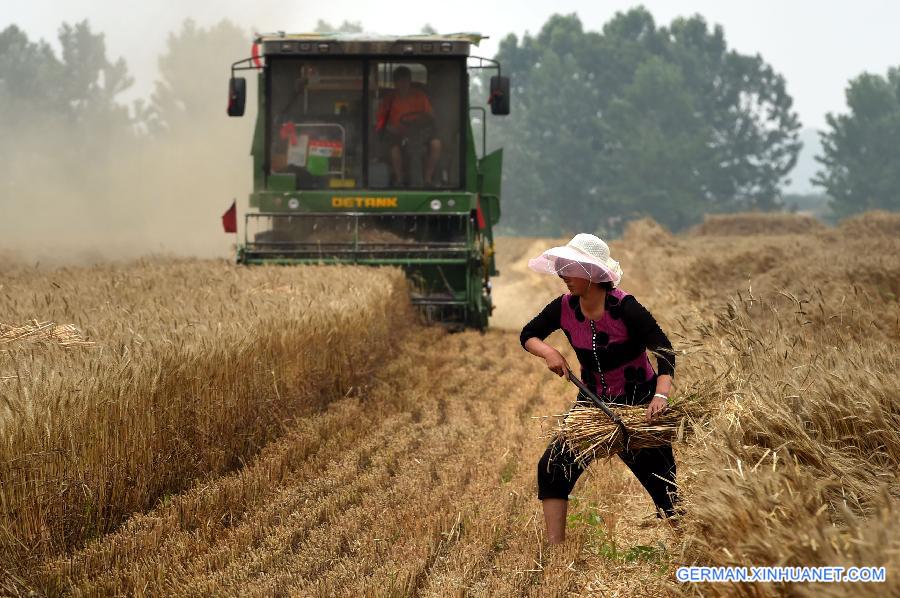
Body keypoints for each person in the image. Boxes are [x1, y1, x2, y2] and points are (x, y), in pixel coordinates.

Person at [520, 233, 680, 545]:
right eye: (562, 267)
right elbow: (529, 334)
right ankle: (555, 549)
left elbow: (665, 353)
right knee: (553, 467)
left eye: (571, 268)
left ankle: (689, 548)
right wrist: (550, 353)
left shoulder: (626, 308)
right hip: (592, 405)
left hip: (638, 405)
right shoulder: (564, 307)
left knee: (663, 484)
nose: (563, 275)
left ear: (593, 273)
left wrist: (660, 396)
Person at [375, 66, 442, 186]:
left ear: (409, 81)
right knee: (394, 150)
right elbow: (380, 122)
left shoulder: (420, 96)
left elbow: (431, 116)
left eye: (405, 80)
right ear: (395, 83)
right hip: (398, 134)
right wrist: (391, 128)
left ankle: (427, 178)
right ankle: (400, 179)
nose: (403, 84)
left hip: (420, 133)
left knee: (436, 144)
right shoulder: (388, 99)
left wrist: (423, 122)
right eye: (400, 81)